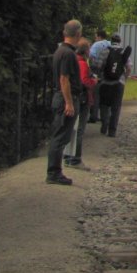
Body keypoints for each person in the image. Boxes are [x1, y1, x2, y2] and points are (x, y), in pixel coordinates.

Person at [46, 20, 82, 185]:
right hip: (64, 98)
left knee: (60, 136)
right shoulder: (68, 54)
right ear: (78, 34)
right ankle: (54, 173)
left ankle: (55, 171)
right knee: (60, 137)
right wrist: (69, 102)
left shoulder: (60, 51)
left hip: (60, 97)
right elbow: (64, 79)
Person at [64, 37, 97, 168]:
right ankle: (75, 158)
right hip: (83, 99)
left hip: (77, 97)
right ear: (85, 50)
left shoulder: (74, 60)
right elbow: (84, 81)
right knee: (79, 129)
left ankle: (68, 156)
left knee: (72, 128)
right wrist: (93, 81)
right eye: (89, 49)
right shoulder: (82, 63)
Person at [99, 33, 132, 137]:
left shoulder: (105, 50)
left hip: (105, 82)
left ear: (111, 40)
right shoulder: (123, 52)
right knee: (116, 107)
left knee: (104, 105)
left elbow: (99, 65)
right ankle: (112, 131)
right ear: (120, 41)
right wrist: (124, 78)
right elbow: (129, 67)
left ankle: (104, 123)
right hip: (118, 83)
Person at [87, 29, 109, 123]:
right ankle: (105, 116)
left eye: (96, 37)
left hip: (97, 70)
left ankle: (94, 116)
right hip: (108, 73)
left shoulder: (96, 44)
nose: (95, 38)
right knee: (105, 95)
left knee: (95, 94)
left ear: (99, 37)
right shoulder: (109, 44)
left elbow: (91, 56)